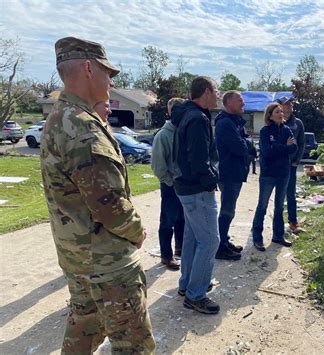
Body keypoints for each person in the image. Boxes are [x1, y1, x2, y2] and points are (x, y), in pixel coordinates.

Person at [40, 37, 155, 353]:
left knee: (84, 330)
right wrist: (137, 232)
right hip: (106, 262)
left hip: (78, 256)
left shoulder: (59, 116)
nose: (113, 80)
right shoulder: (82, 127)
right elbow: (110, 207)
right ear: (89, 68)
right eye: (109, 71)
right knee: (134, 346)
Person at [171, 76, 221, 314]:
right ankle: (196, 294)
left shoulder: (189, 115)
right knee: (211, 240)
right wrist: (211, 181)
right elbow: (199, 160)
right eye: (216, 90)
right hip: (197, 189)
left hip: (187, 187)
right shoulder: (197, 118)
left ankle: (187, 285)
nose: (218, 94)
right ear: (205, 92)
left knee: (193, 238)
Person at [251, 103, 297, 251]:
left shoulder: (287, 129)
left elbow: (294, 148)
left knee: (279, 206)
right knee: (262, 205)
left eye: (282, 112)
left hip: (284, 173)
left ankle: (278, 236)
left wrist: (277, 146)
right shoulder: (265, 131)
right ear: (270, 115)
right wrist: (284, 146)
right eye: (277, 112)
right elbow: (266, 151)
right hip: (268, 173)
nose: (281, 114)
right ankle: (257, 237)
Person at [151, 97, 185, 270]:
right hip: (171, 185)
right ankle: (166, 255)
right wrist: (170, 182)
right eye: (175, 109)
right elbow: (158, 166)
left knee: (182, 218)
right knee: (167, 220)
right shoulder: (163, 135)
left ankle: (180, 247)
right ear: (169, 112)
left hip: (184, 185)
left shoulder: (184, 131)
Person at [215, 90, 249, 261]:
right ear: (228, 103)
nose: (243, 102)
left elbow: (244, 145)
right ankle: (220, 248)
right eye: (239, 100)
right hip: (229, 173)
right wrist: (247, 144)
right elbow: (240, 148)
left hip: (234, 172)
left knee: (229, 210)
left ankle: (224, 240)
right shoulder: (226, 123)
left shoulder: (234, 122)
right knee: (227, 211)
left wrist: (245, 143)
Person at [277, 96, 305, 231]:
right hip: (276, 164)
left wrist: (297, 161)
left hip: (291, 165)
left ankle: (293, 222)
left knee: (291, 194)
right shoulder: (275, 121)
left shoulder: (297, 123)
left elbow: (302, 143)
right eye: (286, 104)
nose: (290, 106)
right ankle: (275, 221)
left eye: (291, 104)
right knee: (276, 194)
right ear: (280, 106)